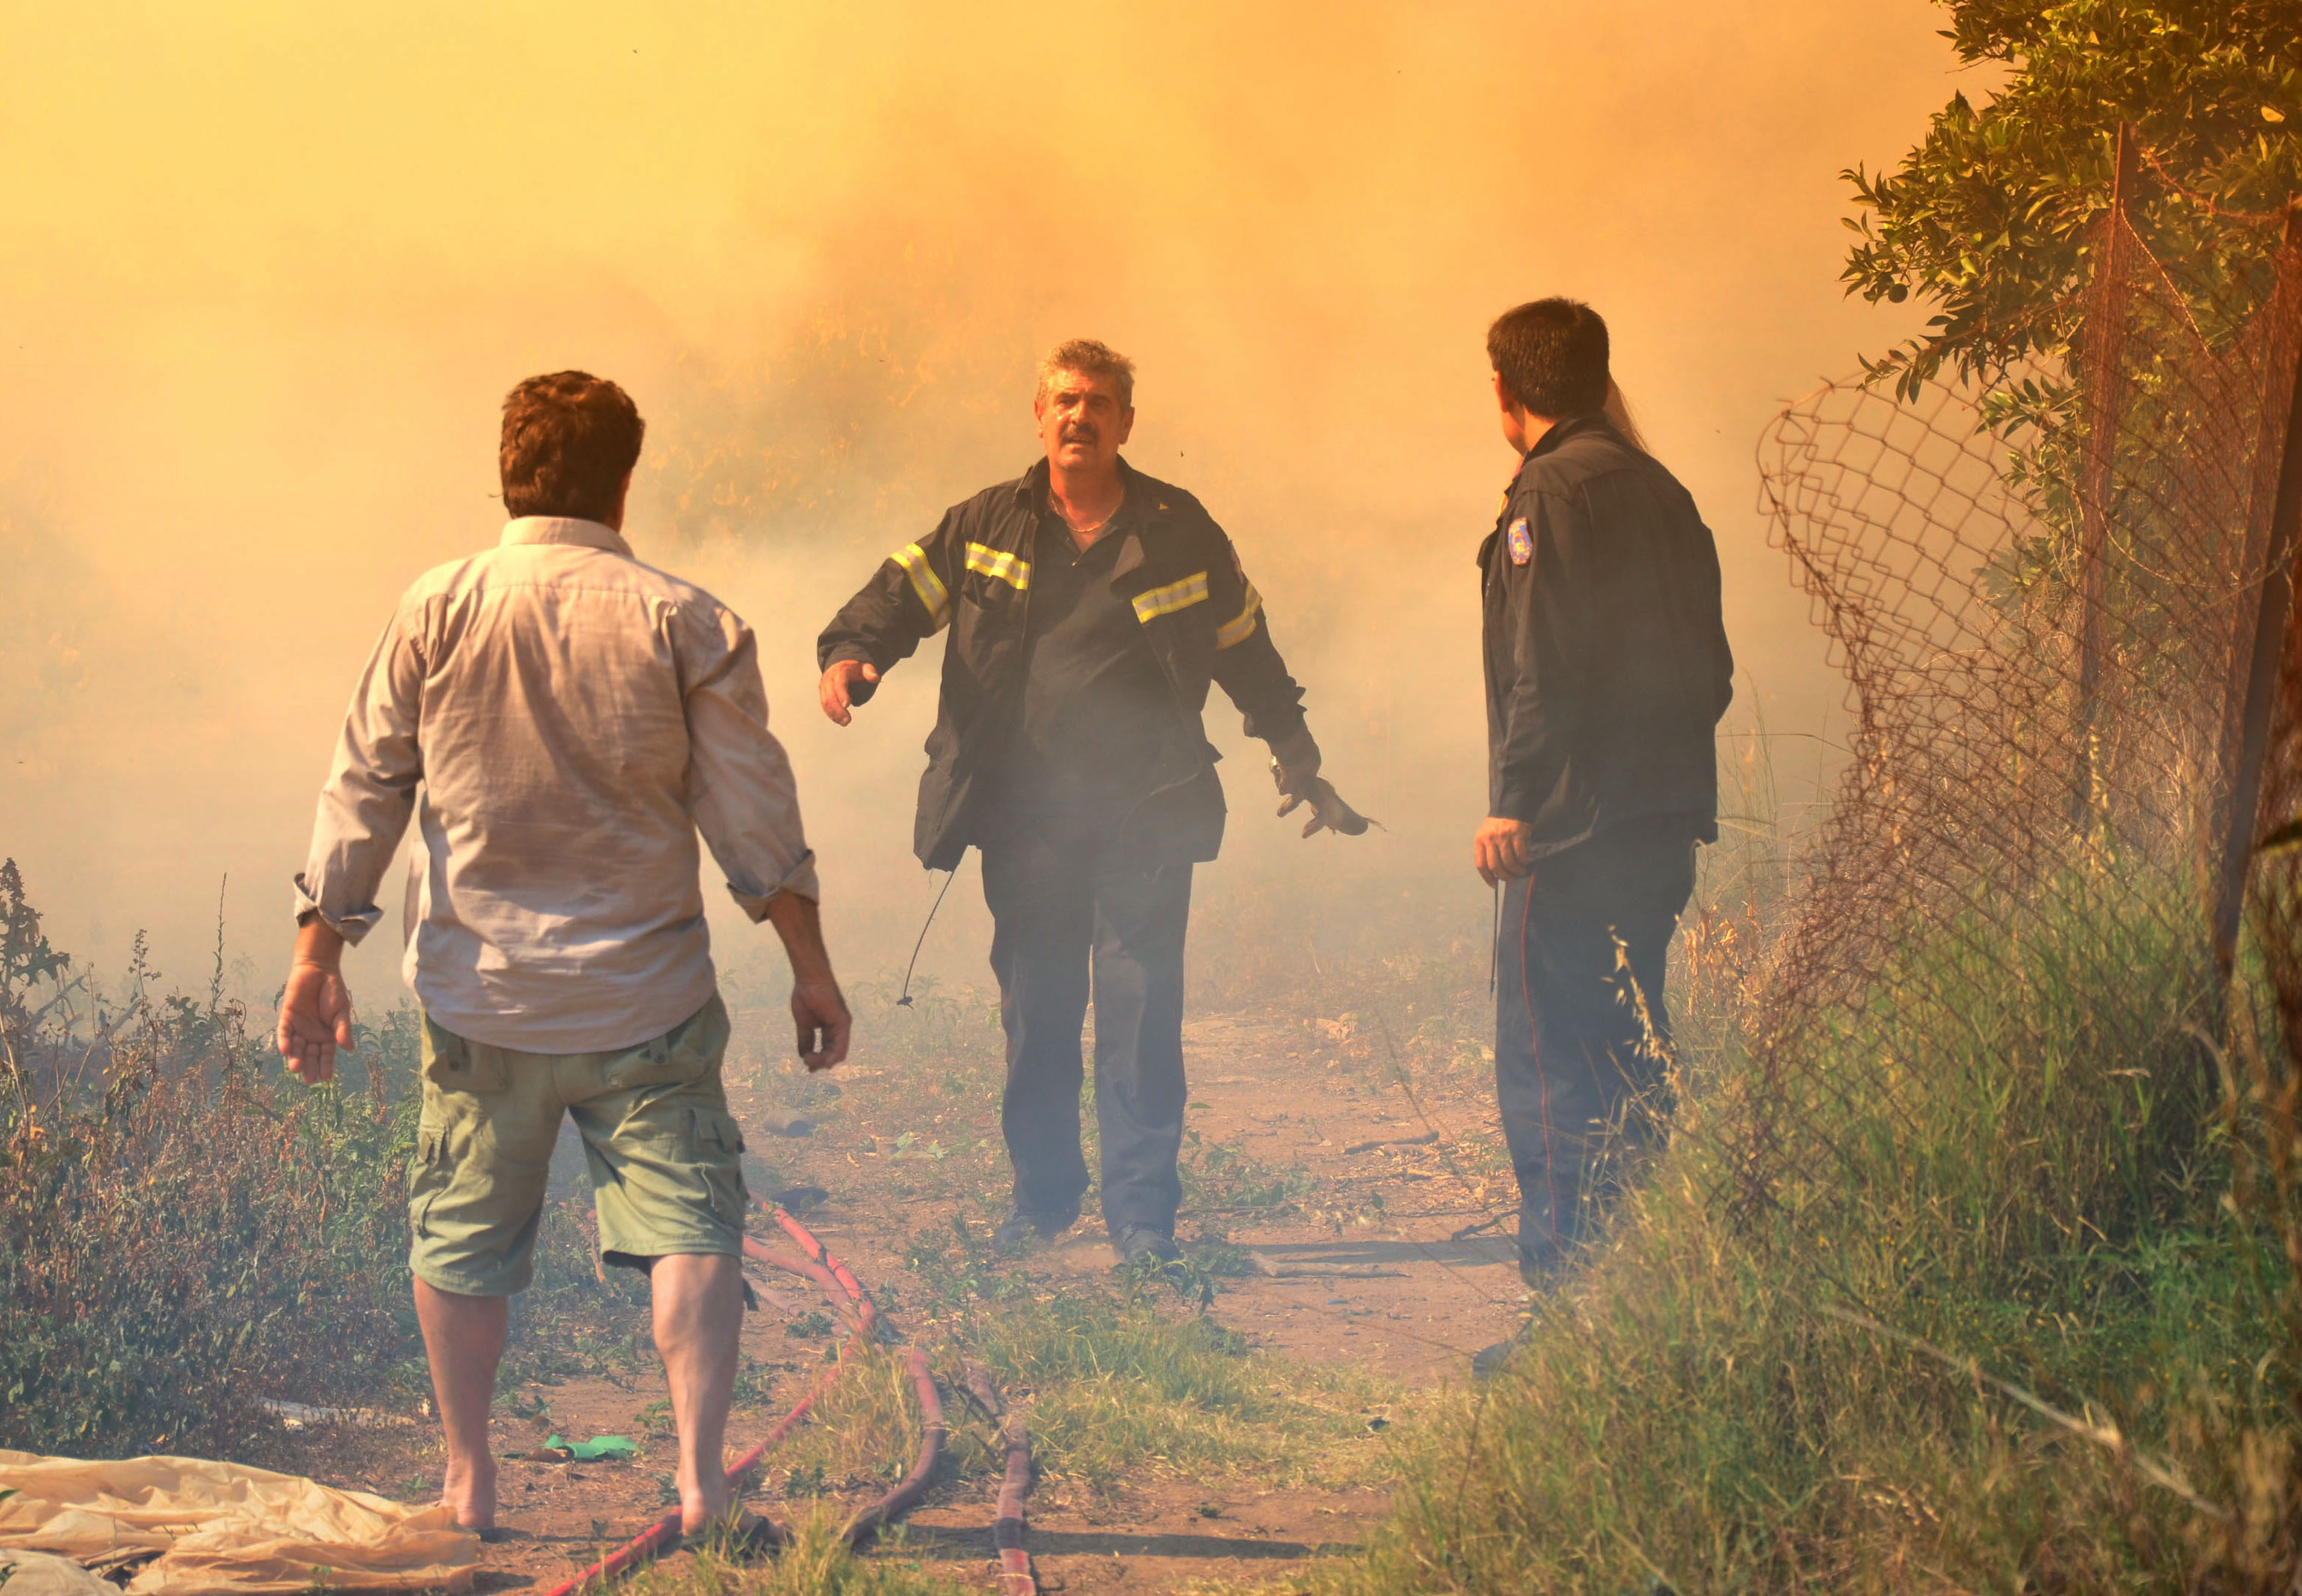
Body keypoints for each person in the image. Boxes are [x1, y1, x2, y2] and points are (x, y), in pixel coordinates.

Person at [276, 371, 851, 1547]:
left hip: (481, 1005)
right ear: (624, 477)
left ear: (508, 469)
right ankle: (699, 1477)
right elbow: (754, 817)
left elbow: (366, 785)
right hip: (648, 1004)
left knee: (462, 1236)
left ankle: (470, 1472)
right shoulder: (687, 619)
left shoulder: (437, 607)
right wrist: (810, 963)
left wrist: (315, 952)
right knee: (692, 1222)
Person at [816, 339, 1367, 1266]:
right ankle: (1043, 1202)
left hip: (1147, 811)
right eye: (1065, 399)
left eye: (1100, 401)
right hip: (1026, 817)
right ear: (1039, 415)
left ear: (1126, 422)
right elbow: (900, 593)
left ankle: (1143, 1219)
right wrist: (852, 651)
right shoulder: (986, 521)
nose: (1081, 415)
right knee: (1037, 1011)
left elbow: (1246, 647)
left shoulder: (1179, 526)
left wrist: (1296, 752)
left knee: (1141, 1011)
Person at [1471, 300, 1733, 1375]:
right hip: (1659, 820)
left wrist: (1514, 800)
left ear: (1504, 392)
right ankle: (1650, 1292)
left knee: (1550, 1055)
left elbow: (1546, 667)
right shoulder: (1663, 489)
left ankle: (1567, 1315)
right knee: (1633, 1045)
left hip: (1569, 834)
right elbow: (1711, 671)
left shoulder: (1544, 490)